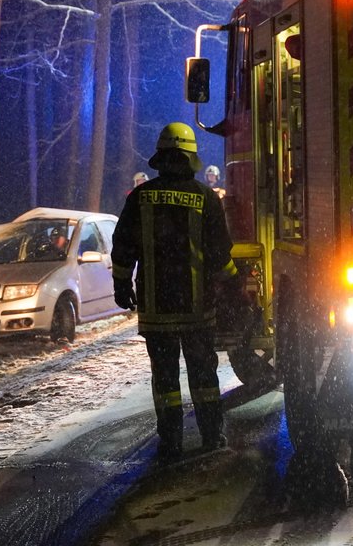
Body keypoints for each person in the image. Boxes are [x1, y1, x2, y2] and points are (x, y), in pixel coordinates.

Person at [111, 122, 246, 463]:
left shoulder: (141, 198)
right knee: (204, 376)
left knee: (166, 380)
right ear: (190, 158)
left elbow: (123, 246)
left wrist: (122, 284)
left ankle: (171, 442)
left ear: (161, 157)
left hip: (157, 310)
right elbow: (219, 254)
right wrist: (234, 288)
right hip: (197, 309)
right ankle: (212, 436)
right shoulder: (204, 198)